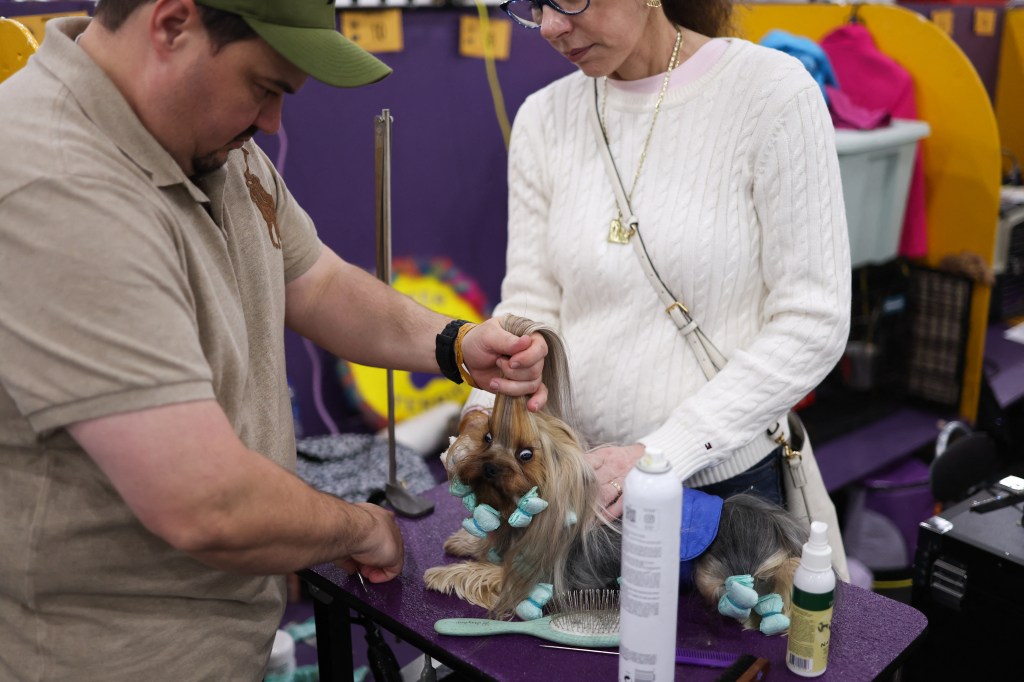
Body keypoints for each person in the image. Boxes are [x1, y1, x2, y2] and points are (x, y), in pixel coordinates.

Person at [0, 1, 548, 679]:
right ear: (172, 24)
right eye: (264, 87)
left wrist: (456, 345)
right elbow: (203, 502)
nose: (272, 123)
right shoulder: (57, 188)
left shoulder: (203, 138)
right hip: (107, 657)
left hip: (222, 635)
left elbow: (312, 281)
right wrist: (358, 526)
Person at [464, 0, 852, 579]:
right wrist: (482, 418)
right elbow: (532, 301)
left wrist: (663, 452)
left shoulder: (771, 94)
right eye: (529, 3)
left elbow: (813, 321)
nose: (548, 27)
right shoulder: (544, 118)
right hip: (579, 489)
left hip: (724, 491)